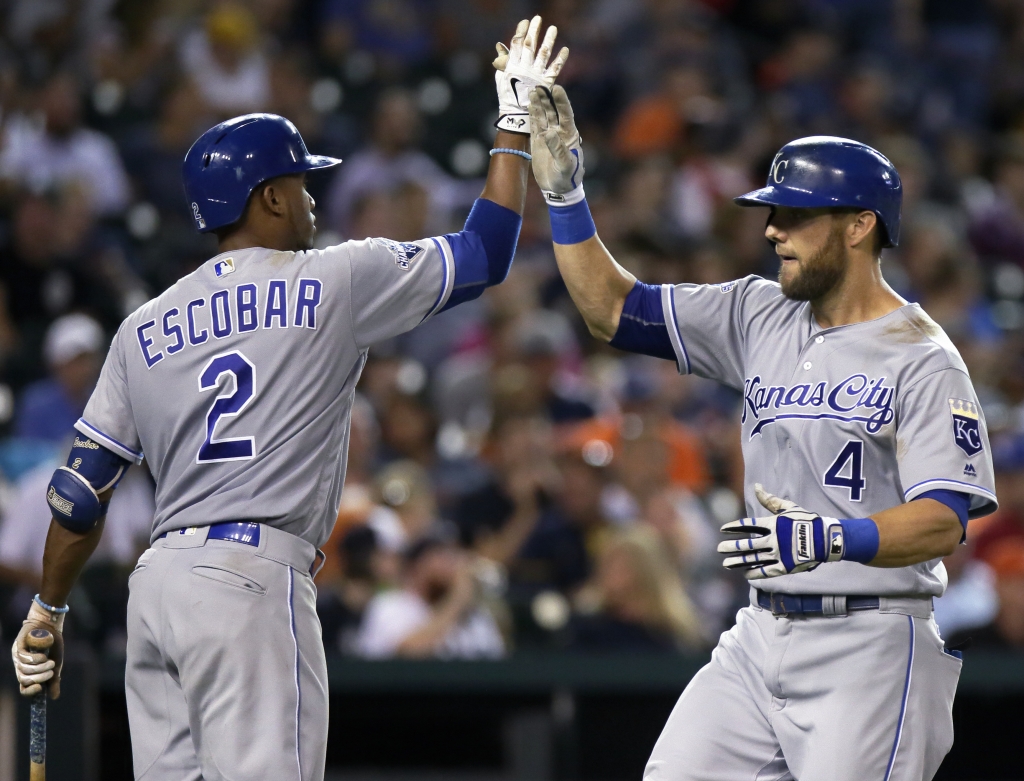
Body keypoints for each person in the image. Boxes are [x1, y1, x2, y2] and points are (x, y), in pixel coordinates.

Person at [10, 17, 567, 781]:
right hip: (251, 580)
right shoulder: (334, 277)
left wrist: (50, 609)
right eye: (302, 181)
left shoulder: (142, 327)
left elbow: (77, 495)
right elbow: (488, 251)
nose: (313, 195)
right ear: (268, 196)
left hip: (157, 593)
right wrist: (510, 125)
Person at [524, 84, 997, 780]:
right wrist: (566, 198)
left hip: (870, 640)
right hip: (758, 631)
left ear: (859, 225)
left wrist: (834, 536)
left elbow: (942, 520)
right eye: (772, 212)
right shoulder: (757, 312)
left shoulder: (923, 358)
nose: (772, 228)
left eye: (794, 214)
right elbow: (612, 310)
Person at [354, 535, 506, 659]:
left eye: (453, 557)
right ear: (415, 567)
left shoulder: (473, 615)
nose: (452, 566)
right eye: (441, 556)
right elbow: (407, 653)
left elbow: (496, 662)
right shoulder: (390, 604)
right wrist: (457, 599)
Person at [14, 313, 103, 442]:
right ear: (57, 364)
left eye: (87, 360)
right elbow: (26, 453)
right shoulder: (36, 401)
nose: (83, 369)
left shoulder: (103, 401)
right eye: (75, 361)